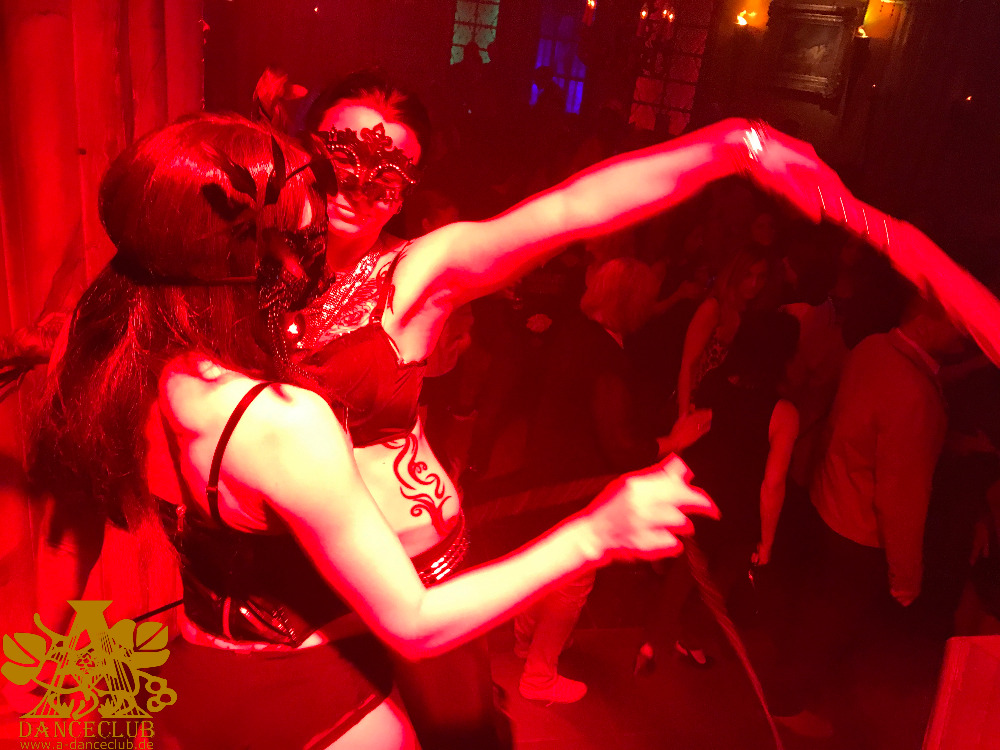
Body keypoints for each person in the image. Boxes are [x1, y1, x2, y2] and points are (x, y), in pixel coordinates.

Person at [29, 113, 718, 750]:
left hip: (197, 665)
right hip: (311, 689)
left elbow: (565, 210)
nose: (316, 248)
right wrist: (597, 532)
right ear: (247, 250)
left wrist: (41, 681)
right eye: (302, 229)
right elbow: (414, 622)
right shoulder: (278, 421)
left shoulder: (102, 351)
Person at [281, 74, 841, 719]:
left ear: (410, 185)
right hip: (290, 573)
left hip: (414, 566)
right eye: (342, 154)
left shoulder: (418, 270)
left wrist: (731, 147)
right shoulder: (252, 262)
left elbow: (570, 209)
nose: (358, 185)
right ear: (303, 149)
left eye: (388, 172)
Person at [637, 310, 800, 669]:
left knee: (682, 575)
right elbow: (773, 483)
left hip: (701, 493)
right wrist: (767, 543)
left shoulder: (714, 382)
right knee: (718, 584)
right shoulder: (783, 412)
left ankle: (652, 644)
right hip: (739, 512)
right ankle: (690, 638)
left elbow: (693, 436)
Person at [675, 247, 771, 418]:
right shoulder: (713, 308)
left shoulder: (750, 314)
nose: (754, 284)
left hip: (721, 408)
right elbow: (688, 365)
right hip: (694, 403)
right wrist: (683, 415)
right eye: (748, 275)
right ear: (736, 273)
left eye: (761, 277)